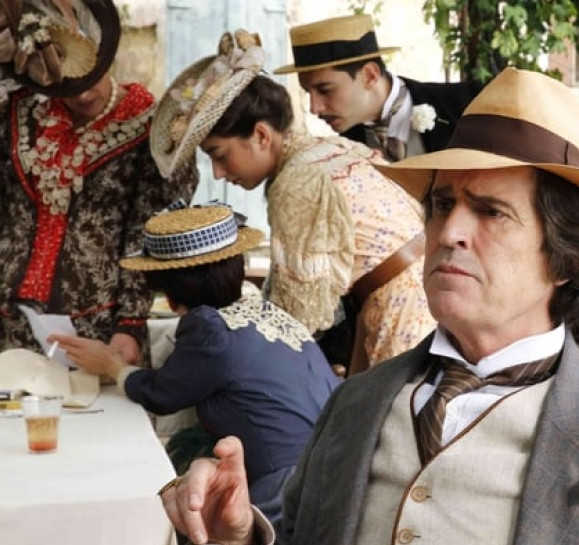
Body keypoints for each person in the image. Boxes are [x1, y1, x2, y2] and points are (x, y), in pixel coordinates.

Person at [159, 68, 579, 545]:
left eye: (491, 211)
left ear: (568, 257)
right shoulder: (353, 406)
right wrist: (242, 535)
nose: (449, 232)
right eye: (443, 204)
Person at [151, 31, 434, 374]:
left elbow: (295, 319)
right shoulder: (330, 150)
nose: (218, 173)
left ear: (261, 135)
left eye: (219, 155)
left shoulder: (297, 183)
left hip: (401, 314)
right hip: (421, 293)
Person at [52, 203, 339, 525]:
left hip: (285, 488)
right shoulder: (266, 312)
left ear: (172, 290)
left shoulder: (211, 327)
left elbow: (163, 393)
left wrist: (111, 365)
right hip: (336, 466)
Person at [0, 0, 197, 371]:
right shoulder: (6, 107)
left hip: (102, 335)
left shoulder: (147, 127)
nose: (84, 95)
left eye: (92, 78)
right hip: (3, 323)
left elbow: (148, 232)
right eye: (65, 87)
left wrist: (131, 323)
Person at [275, 14, 484, 162]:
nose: (314, 108)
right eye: (308, 92)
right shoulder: (344, 152)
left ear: (370, 75)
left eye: (325, 90)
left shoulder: (469, 104)